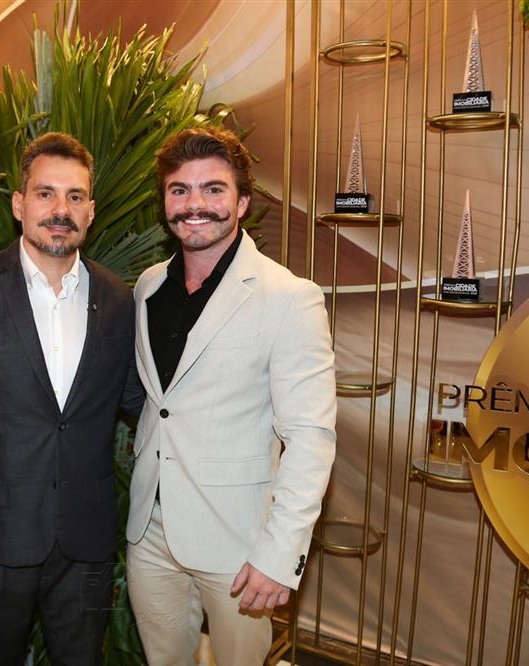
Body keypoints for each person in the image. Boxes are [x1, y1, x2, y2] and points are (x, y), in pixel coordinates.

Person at [0, 132, 143, 665]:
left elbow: (142, 400)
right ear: (20, 204)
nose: (60, 210)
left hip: (87, 542)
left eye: (74, 196)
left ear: (91, 210)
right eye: (46, 194)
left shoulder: (118, 298)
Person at [126, 126, 337, 664]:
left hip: (240, 540)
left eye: (213, 189)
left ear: (241, 202)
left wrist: (280, 553)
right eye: (179, 190)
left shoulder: (289, 297)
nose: (194, 204)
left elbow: (310, 438)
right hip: (149, 531)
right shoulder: (148, 287)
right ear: (165, 202)